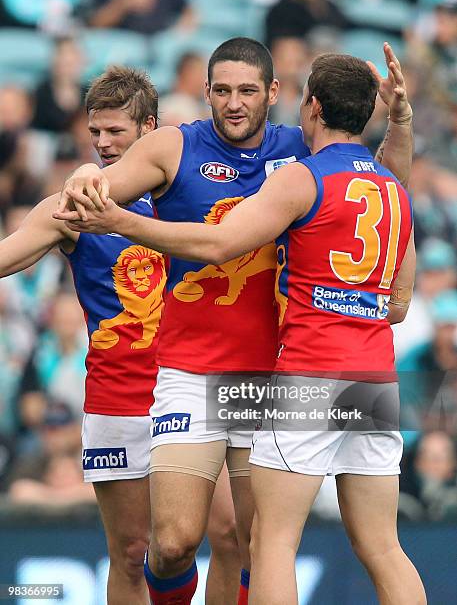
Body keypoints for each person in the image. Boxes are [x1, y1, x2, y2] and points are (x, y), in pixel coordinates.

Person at [56, 37, 414, 604]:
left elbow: (220, 243)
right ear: (205, 93)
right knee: (180, 543)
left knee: (266, 542)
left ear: (297, 100)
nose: (233, 101)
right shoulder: (386, 192)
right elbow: (399, 293)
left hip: (288, 378)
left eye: (247, 90)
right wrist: (400, 123)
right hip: (355, 378)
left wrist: (119, 221)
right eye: (221, 90)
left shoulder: (304, 166)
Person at [0, 66, 240, 605]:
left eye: (117, 132)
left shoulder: (190, 191)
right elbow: (7, 257)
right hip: (117, 397)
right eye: (96, 134)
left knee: (228, 536)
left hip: (193, 387)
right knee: (133, 553)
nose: (105, 145)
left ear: (150, 129)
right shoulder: (75, 207)